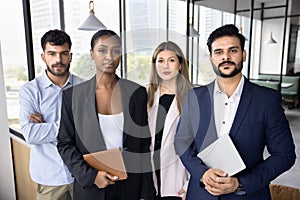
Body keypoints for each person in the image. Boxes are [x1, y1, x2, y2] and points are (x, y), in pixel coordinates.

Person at [174, 24, 296, 200]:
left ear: (243, 55)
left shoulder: (267, 100)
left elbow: (284, 155)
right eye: (218, 52)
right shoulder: (195, 97)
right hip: (201, 194)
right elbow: (181, 141)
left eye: (233, 50)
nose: (226, 57)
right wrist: (202, 173)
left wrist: (240, 183)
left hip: (248, 195)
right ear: (211, 58)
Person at [57, 29, 155, 200]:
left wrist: (146, 192)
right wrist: (91, 176)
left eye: (116, 51)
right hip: (92, 188)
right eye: (102, 50)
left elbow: (143, 146)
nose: (109, 56)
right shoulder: (73, 96)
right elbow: (65, 144)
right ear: (91, 54)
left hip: (130, 187)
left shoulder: (137, 93)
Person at [19, 29, 85, 199]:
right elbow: (30, 134)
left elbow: (91, 129)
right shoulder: (30, 91)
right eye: (52, 53)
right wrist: (71, 126)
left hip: (82, 173)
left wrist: (47, 127)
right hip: (49, 177)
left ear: (70, 56)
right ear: (43, 57)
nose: (58, 60)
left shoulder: (85, 87)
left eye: (63, 53)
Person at [147, 41, 193, 200]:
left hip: (178, 181)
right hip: (150, 181)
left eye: (171, 60)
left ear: (180, 65)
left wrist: (190, 185)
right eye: (160, 61)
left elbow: (200, 146)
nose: (165, 65)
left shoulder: (193, 97)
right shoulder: (147, 97)